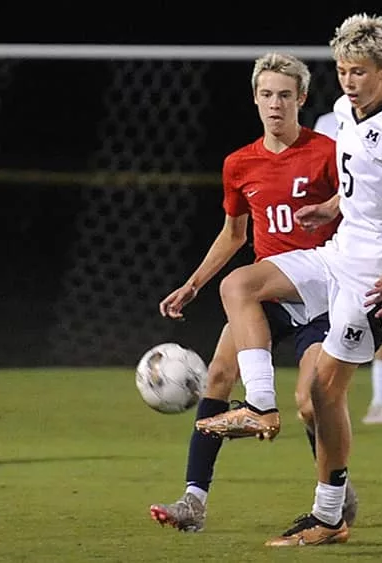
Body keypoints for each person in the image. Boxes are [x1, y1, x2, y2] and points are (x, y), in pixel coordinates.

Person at [196, 13, 382, 547]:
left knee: (319, 394)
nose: (349, 81)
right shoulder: (342, 112)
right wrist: (331, 205)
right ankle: (260, 403)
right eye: (342, 70)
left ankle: (329, 516)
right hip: (334, 256)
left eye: (359, 71)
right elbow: (363, 186)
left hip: (371, 282)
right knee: (238, 286)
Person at [147, 52, 357, 532]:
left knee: (311, 401)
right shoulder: (240, 164)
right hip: (268, 296)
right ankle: (193, 503)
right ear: (255, 99)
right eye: (266, 95)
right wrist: (192, 283)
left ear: (302, 98)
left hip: (324, 298)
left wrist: (334, 206)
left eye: (285, 95)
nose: (275, 104)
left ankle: (334, 490)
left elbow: (359, 205)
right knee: (218, 373)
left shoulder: (327, 151)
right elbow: (234, 234)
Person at [314, 109, 382, 425]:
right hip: (338, 230)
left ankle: (380, 401)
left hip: (376, 236)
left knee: (377, 310)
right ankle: (326, 392)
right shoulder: (329, 121)